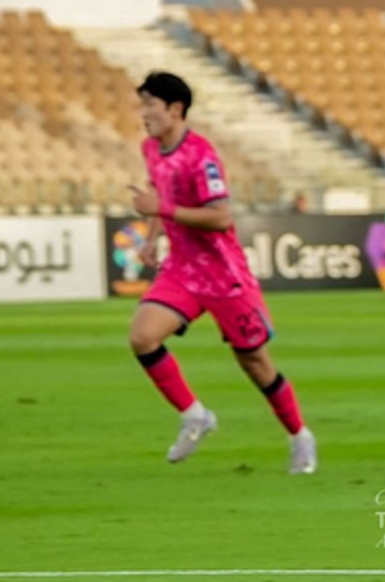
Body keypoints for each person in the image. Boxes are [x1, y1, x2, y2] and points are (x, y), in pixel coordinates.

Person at [127, 71, 317, 473]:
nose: (142, 113)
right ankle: (195, 415)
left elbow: (220, 217)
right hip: (182, 268)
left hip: (223, 274)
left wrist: (160, 211)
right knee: (143, 336)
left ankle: (300, 436)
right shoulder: (151, 149)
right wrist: (151, 238)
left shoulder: (202, 156)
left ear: (174, 109)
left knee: (255, 364)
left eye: (149, 104)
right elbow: (161, 197)